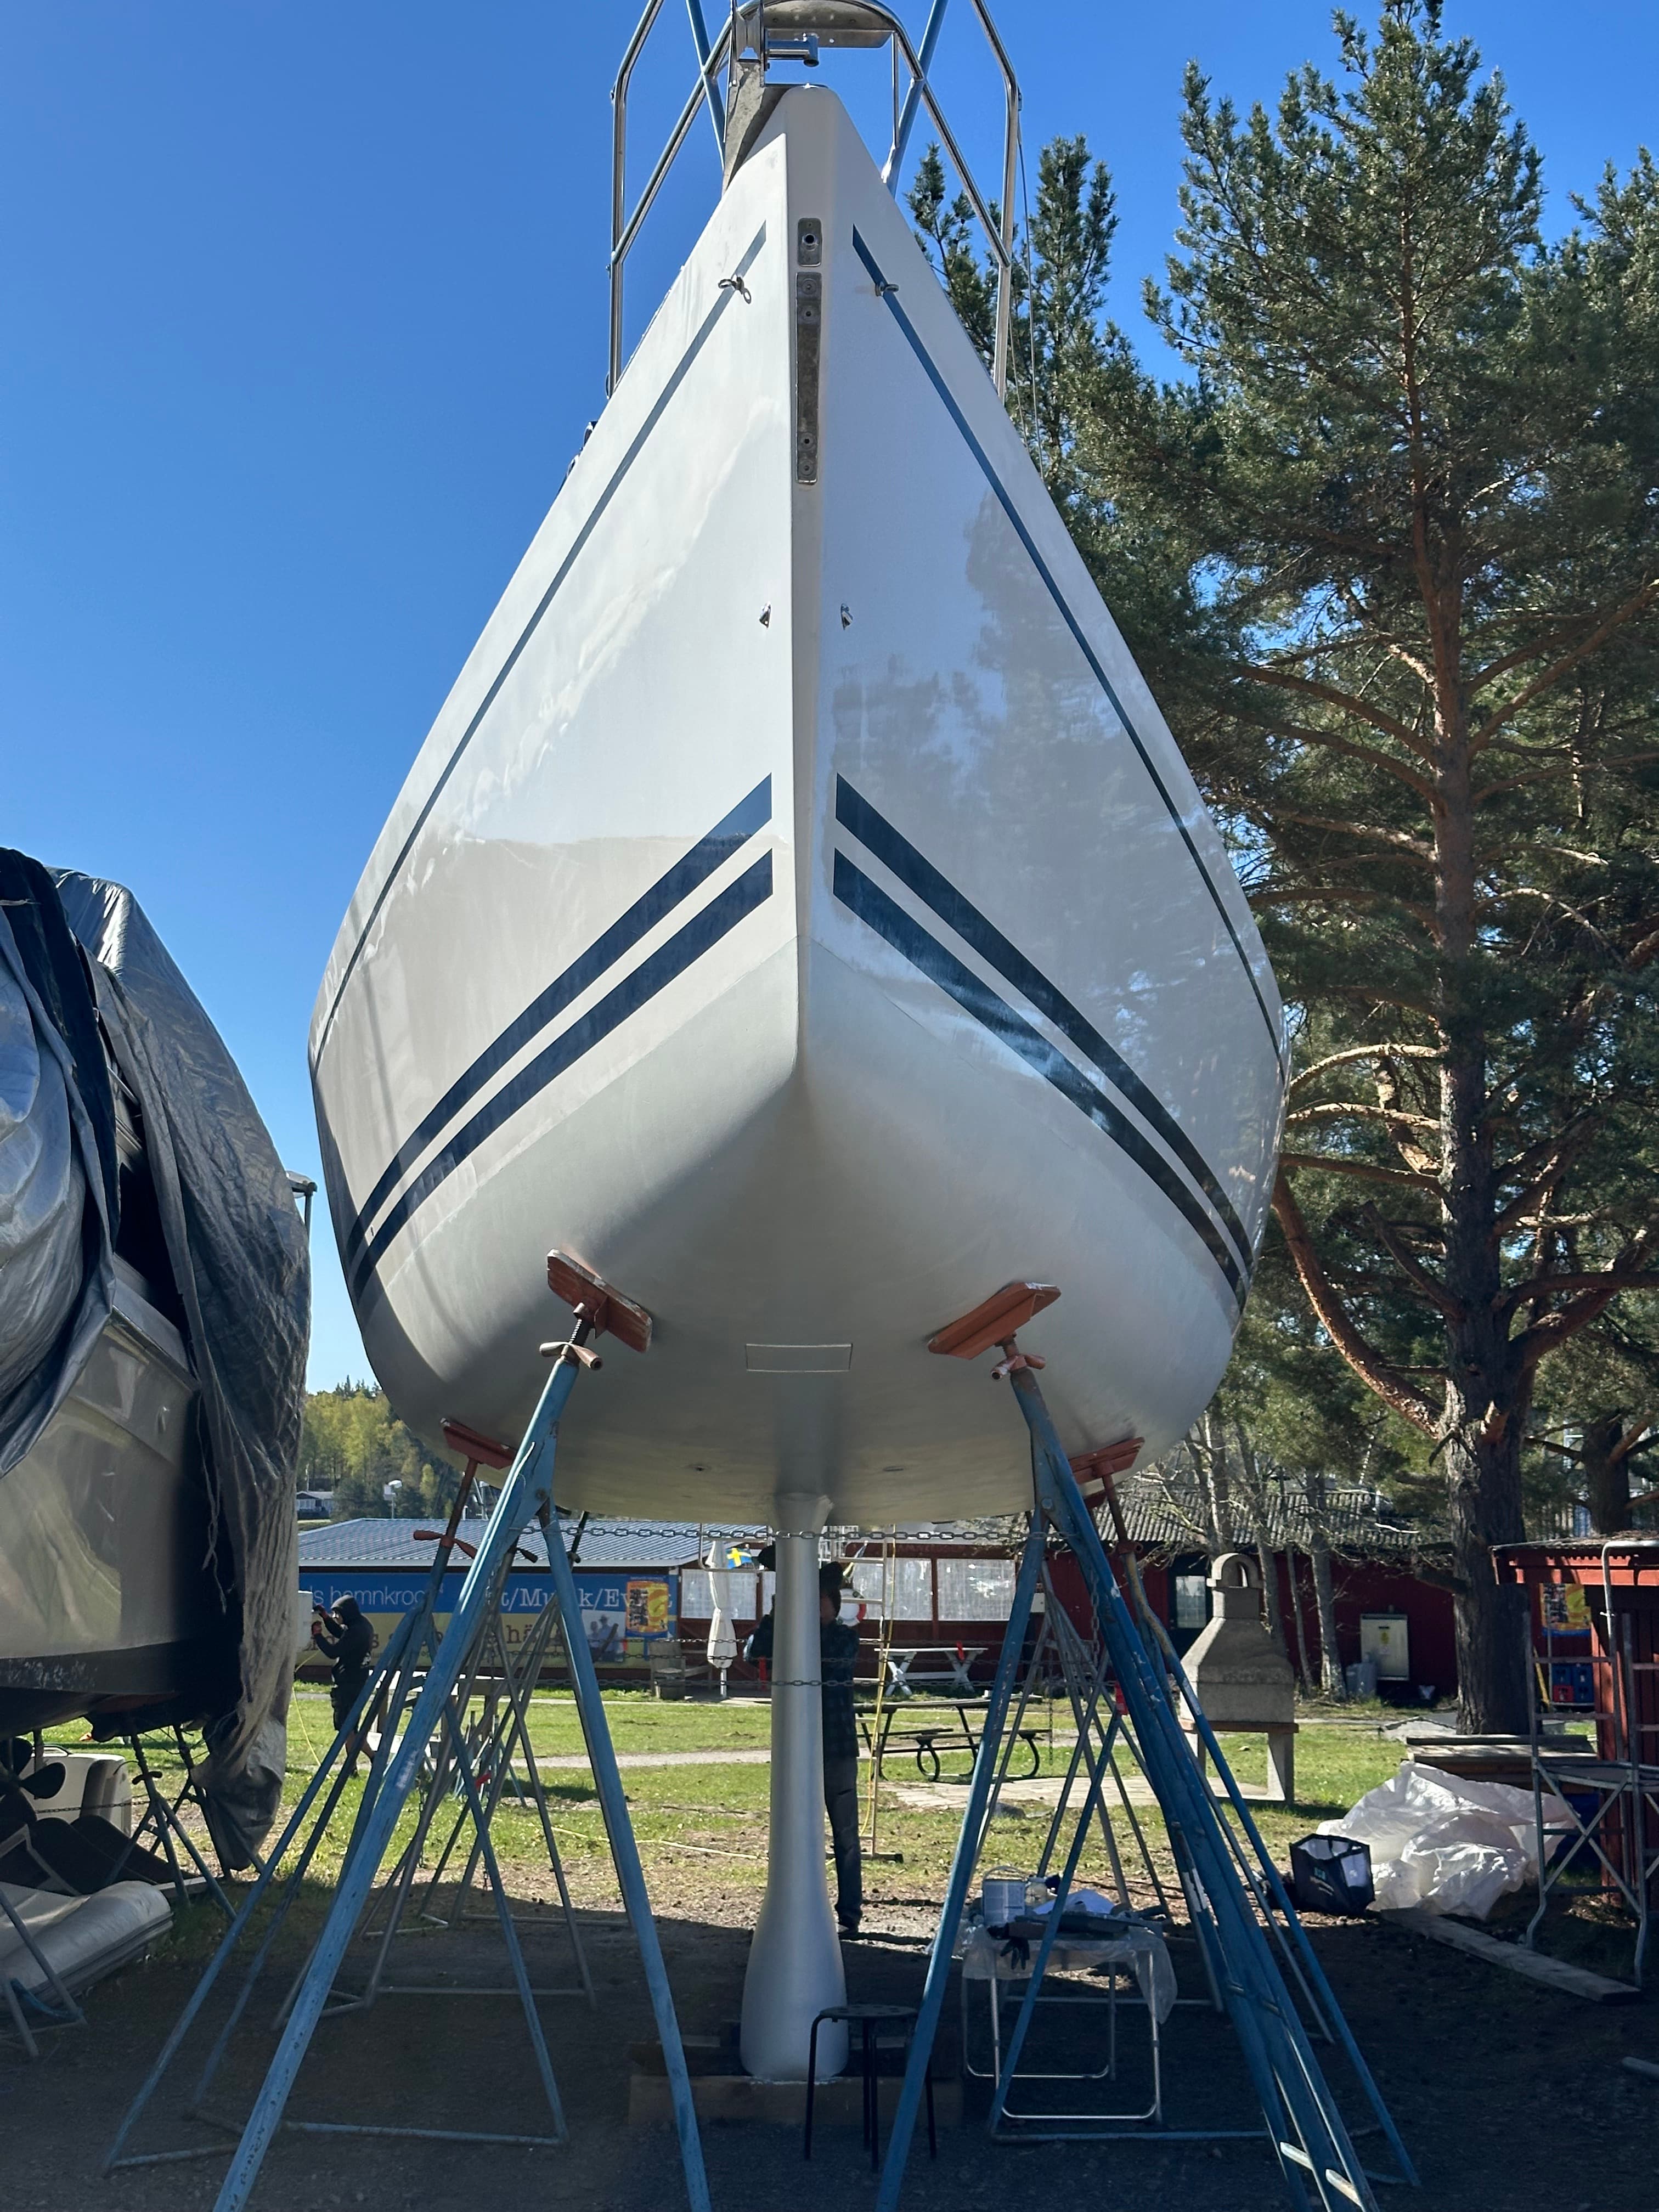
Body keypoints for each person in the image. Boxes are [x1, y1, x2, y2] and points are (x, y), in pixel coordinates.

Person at [746, 1560, 864, 1937]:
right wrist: (777, 1616)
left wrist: (801, 1624)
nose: (812, 1608)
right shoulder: (787, 1631)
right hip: (798, 1749)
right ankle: (801, 1908)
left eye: (819, 1602)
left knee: (845, 1836)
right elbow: (751, 1653)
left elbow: (829, 1664)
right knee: (797, 1831)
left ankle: (849, 1914)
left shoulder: (845, 1637)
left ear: (833, 1605)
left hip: (837, 1749)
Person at [312, 1594, 376, 1743]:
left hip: (349, 1684)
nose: (335, 1617)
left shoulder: (356, 1631)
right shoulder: (360, 1624)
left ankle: (374, 1758)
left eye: (337, 1614)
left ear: (346, 1613)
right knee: (349, 1729)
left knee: (346, 1729)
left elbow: (333, 1652)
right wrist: (326, 1618)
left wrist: (318, 1636)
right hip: (356, 1681)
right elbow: (341, 1633)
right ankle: (351, 1766)